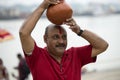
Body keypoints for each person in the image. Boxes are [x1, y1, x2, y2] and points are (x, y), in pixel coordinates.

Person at [19, 0, 109, 80]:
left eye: (64, 37)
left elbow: (102, 46)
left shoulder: (75, 55)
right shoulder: (37, 56)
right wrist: (43, 6)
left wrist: (79, 31)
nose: (61, 41)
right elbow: (24, 33)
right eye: (56, 37)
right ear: (45, 39)